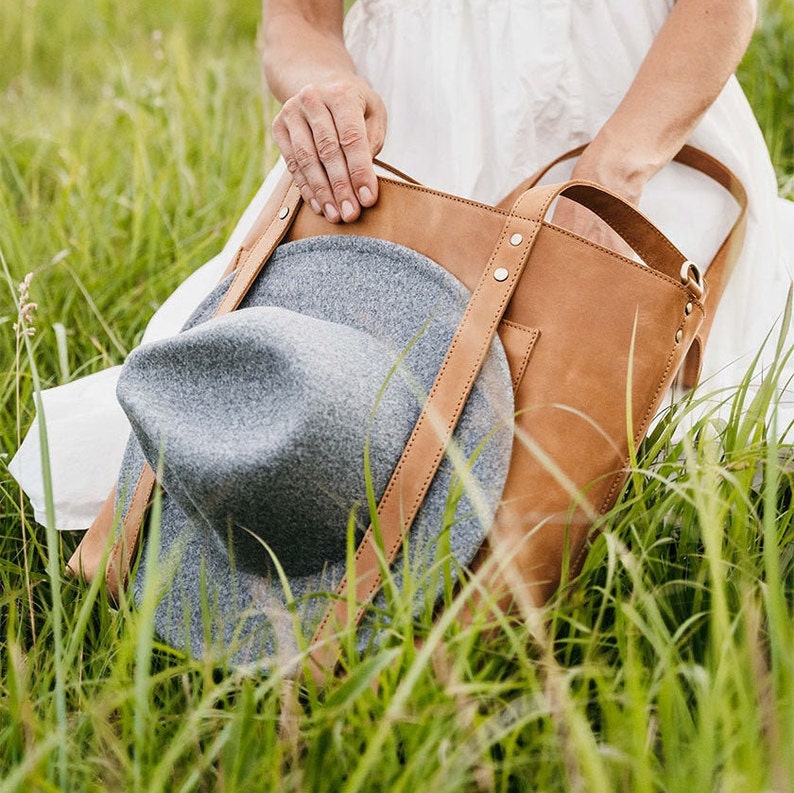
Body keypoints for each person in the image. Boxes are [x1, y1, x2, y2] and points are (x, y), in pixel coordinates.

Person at [10, 0, 794, 537]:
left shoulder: (627, 157)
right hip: (408, 150)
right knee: (287, 421)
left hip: (638, 122)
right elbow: (298, 18)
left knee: (626, 453)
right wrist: (326, 88)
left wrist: (610, 180)